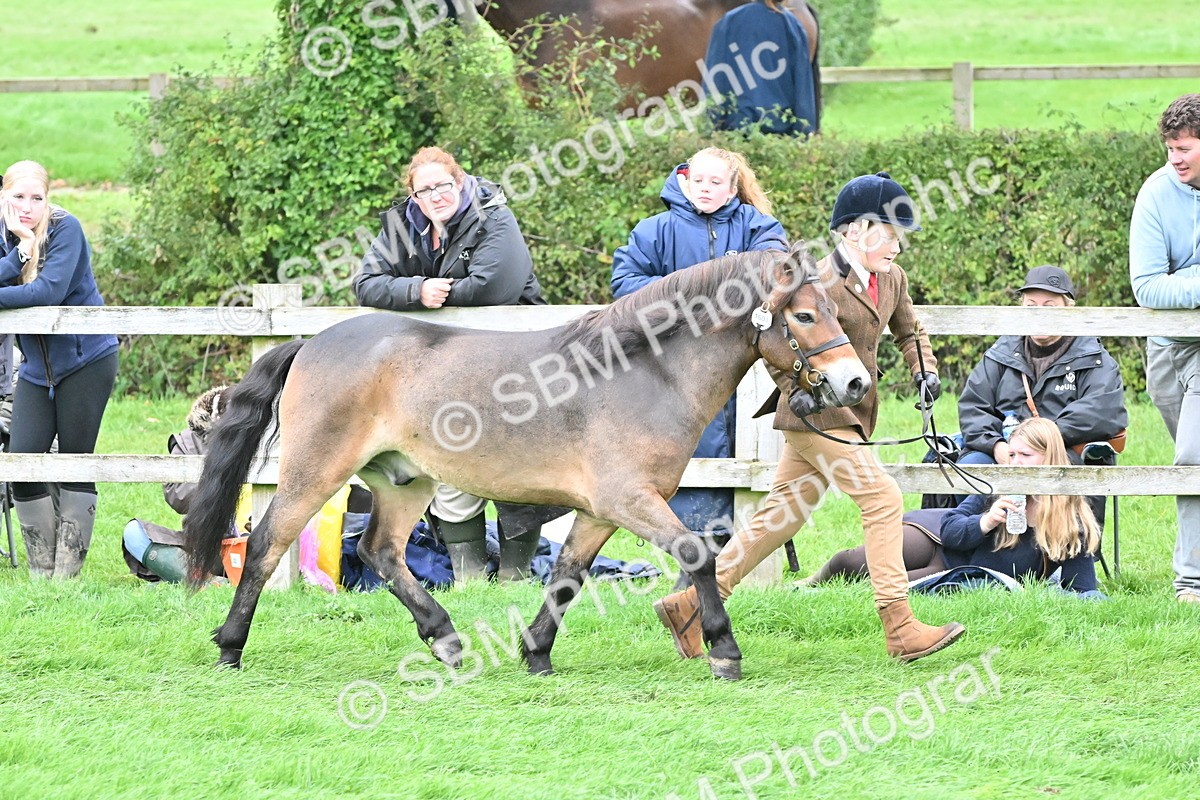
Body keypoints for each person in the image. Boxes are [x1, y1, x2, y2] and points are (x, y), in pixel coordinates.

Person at [653, 171, 965, 663]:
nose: (898, 248)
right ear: (856, 231)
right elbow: (782, 344)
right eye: (889, 234)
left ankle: (691, 605)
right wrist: (795, 390)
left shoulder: (893, 279)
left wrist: (924, 368)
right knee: (882, 498)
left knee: (782, 516)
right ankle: (899, 625)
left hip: (853, 413)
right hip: (813, 413)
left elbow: (910, 331)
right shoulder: (817, 282)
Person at [353, 146, 545, 583]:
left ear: (458, 182)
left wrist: (442, 296)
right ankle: (471, 581)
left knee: (517, 461)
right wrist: (416, 291)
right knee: (452, 456)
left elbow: (492, 286)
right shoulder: (403, 225)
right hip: (445, 366)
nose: (436, 195)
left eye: (443, 185)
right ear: (414, 196)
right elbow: (366, 284)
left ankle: (516, 577)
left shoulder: (494, 216)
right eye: (425, 190)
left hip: (514, 359)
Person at [611, 147, 787, 550]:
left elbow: (778, 267)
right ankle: (686, 542)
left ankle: (731, 546)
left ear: (731, 189)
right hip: (671, 366)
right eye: (699, 181)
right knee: (680, 440)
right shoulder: (654, 230)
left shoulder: (756, 226)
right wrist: (685, 300)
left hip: (741, 366)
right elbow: (624, 283)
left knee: (739, 444)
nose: (705, 189)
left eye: (716, 183)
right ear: (685, 180)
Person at [800, 418, 1102, 594]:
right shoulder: (999, 486)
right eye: (1012, 455)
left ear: (1050, 458)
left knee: (884, 587)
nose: (1015, 463)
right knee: (851, 562)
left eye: (1025, 456)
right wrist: (987, 521)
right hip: (936, 539)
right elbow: (951, 528)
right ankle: (804, 587)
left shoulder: (1069, 521)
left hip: (954, 571)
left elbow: (1084, 591)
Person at [0, 161, 119, 579]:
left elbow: (48, 291)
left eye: (37, 198)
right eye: (18, 197)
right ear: (3, 195)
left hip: (86, 361)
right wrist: (19, 248)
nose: (28, 207)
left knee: (74, 461)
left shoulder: (67, 229)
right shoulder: (3, 234)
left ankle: (66, 578)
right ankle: (41, 573)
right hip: (36, 370)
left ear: (48, 199)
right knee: (21, 464)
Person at [947, 265, 1127, 525]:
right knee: (972, 464)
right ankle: (977, 550)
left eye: (1050, 306)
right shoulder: (1000, 353)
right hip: (1004, 451)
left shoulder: (1095, 358)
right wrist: (997, 446)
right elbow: (973, 407)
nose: (1039, 313)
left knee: (1065, 469)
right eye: (1032, 305)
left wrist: (1039, 444)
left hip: (1064, 451)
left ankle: (1057, 555)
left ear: (1069, 308)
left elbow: (1103, 412)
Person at [1129, 93, 1200, 605]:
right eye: (1170, 147)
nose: (1175, 158)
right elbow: (1149, 288)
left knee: (1192, 458)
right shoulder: (1156, 193)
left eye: (1185, 148)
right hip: (1166, 349)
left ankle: (1189, 584)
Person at [122, 387, 229, 583]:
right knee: (134, 533)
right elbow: (178, 496)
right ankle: (206, 582)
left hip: (258, 543)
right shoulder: (188, 441)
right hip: (206, 546)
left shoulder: (273, 436)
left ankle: (180, 577)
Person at [705, 0, 819, 136]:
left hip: (735, 133)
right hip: (780, 137)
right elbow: (802, 88)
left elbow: (715, 82)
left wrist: (710, 127)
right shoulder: (794, 27)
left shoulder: (728, 22)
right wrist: (803, 132)